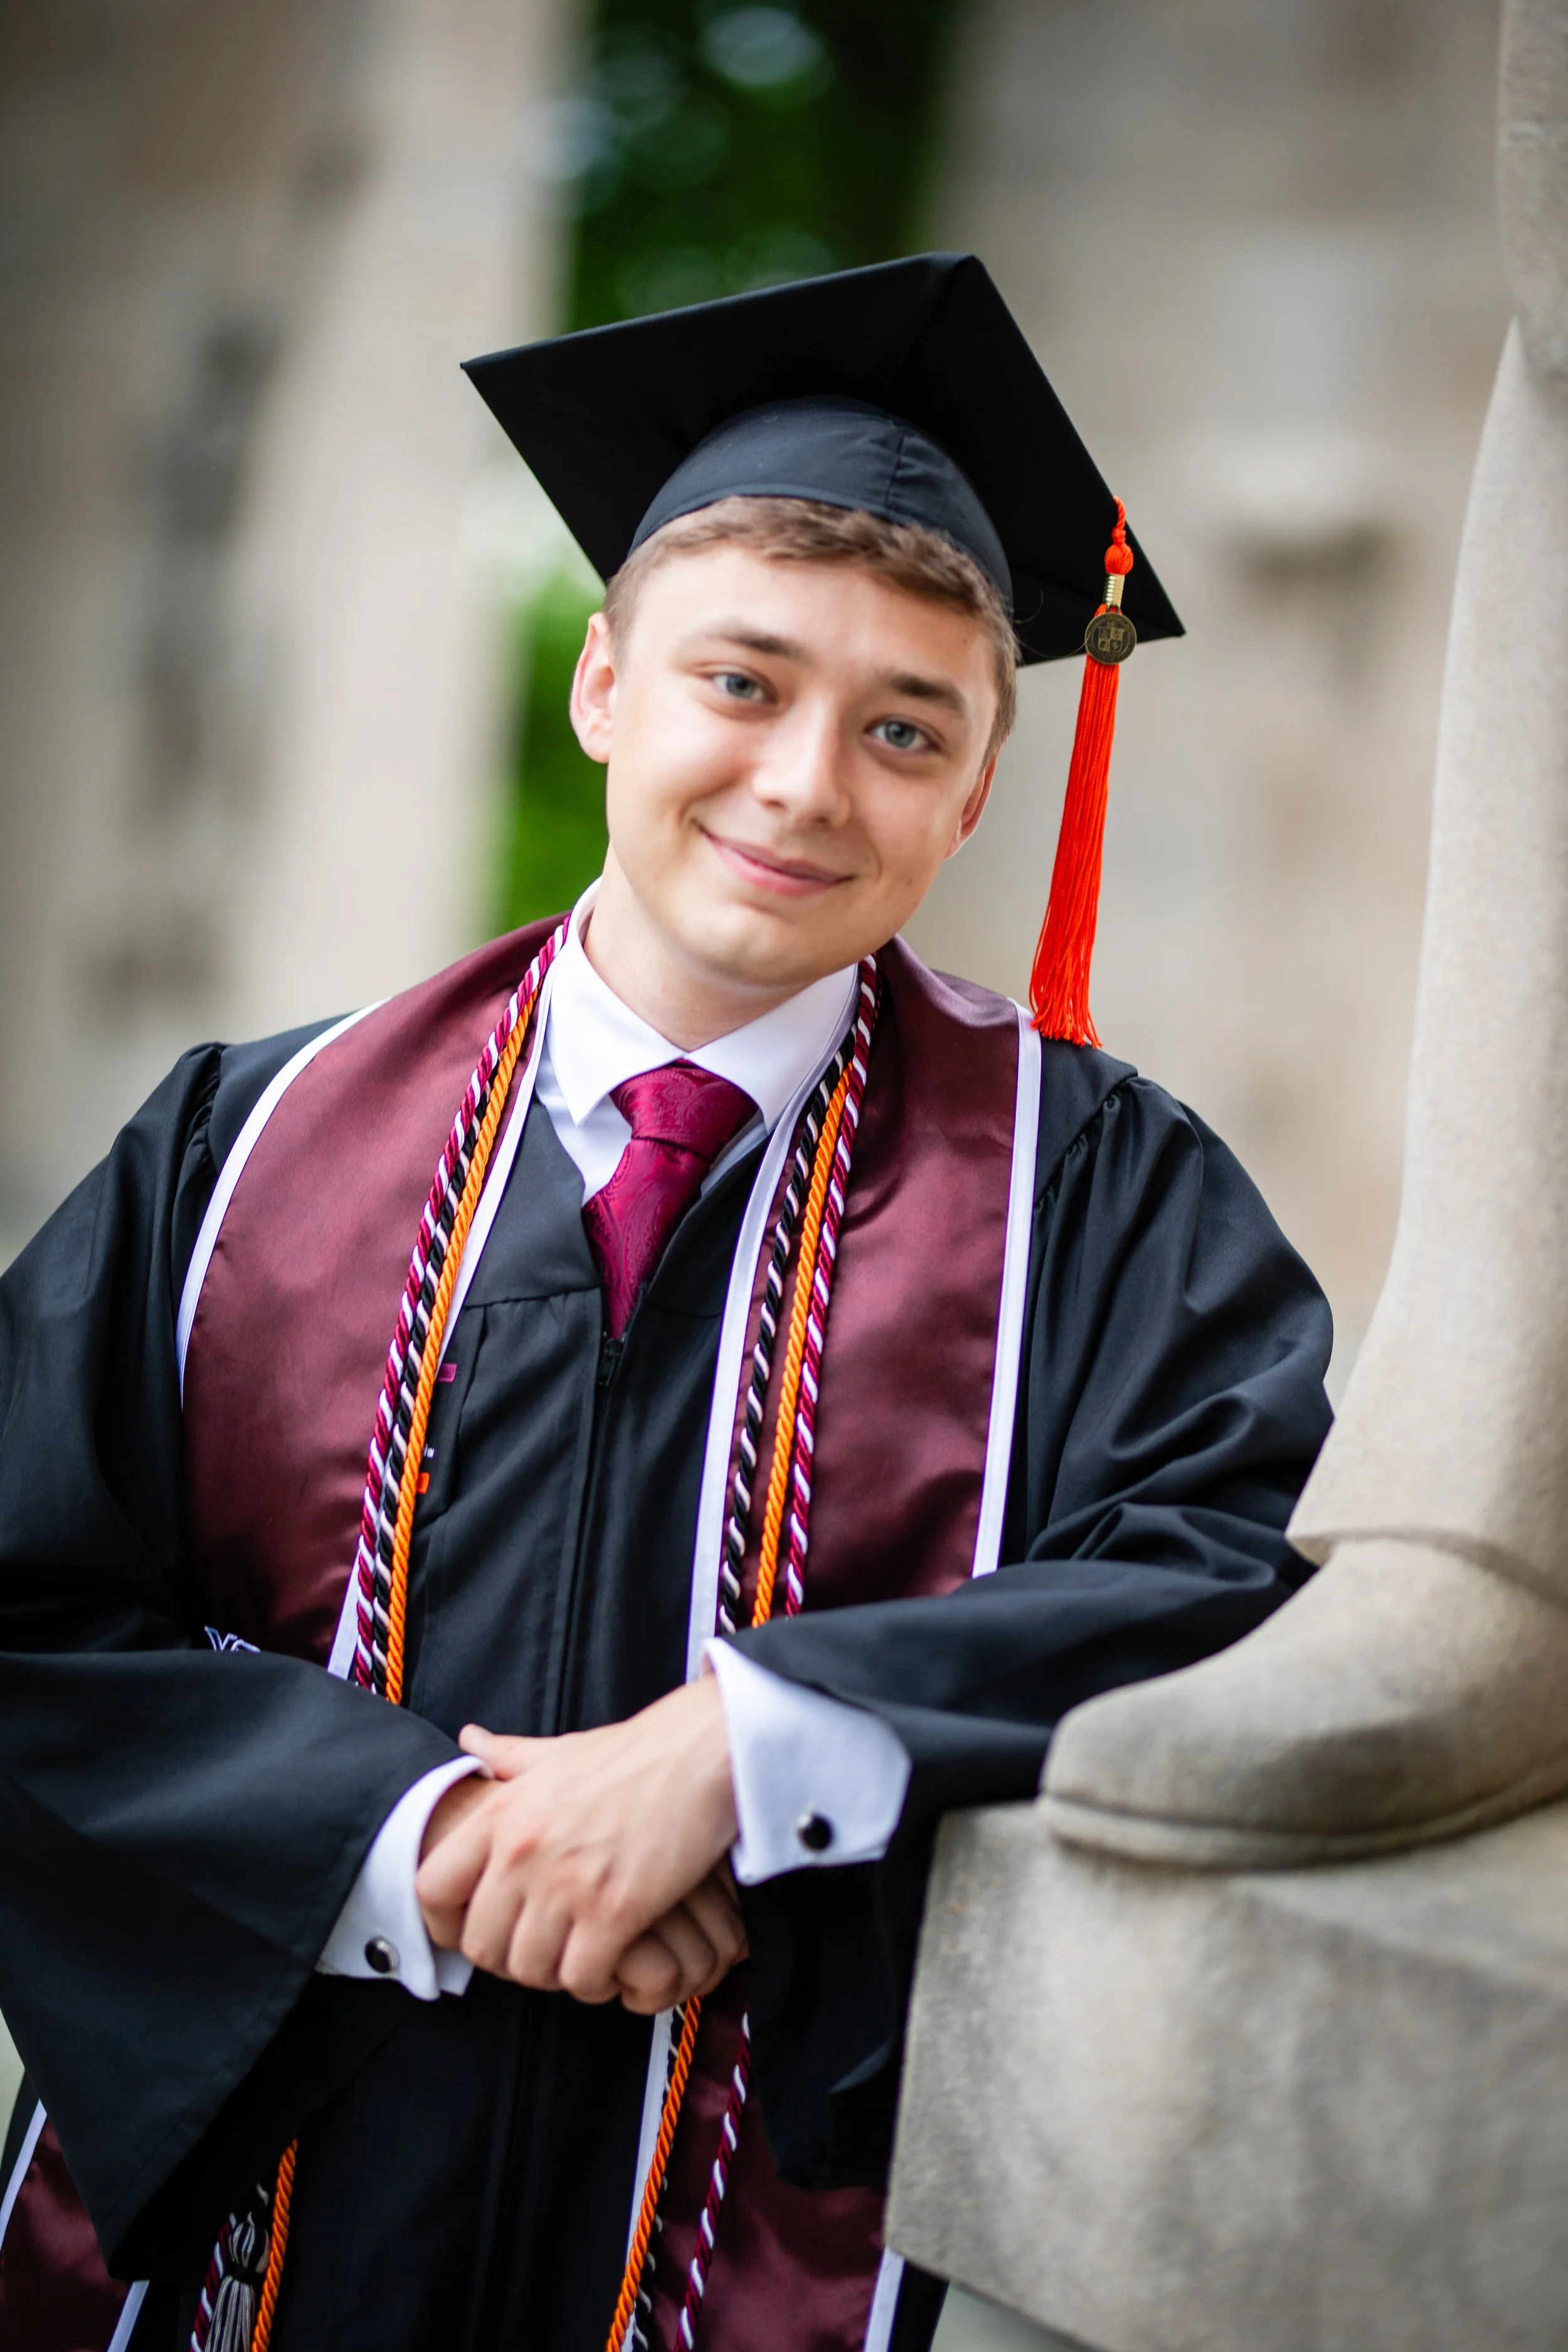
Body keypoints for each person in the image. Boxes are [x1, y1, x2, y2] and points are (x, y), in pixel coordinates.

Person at [0, 255, 1331, 2352]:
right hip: (265, 2218)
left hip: (777, 2231)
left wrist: (759, 1744)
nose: (808, 780)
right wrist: (417, 1839)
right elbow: (23, 1600)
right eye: (742, 681)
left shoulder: (1100, 1191)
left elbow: (1223, 1575)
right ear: (601, 682)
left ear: (976, 791)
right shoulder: (243, 1144)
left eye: (905, 728)